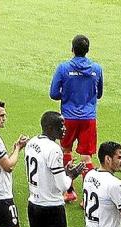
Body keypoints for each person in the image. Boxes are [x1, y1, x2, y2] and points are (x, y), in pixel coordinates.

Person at [49, 34, 103, 202]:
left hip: (68, 118)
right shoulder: (97, 69)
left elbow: (53, 93)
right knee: (86, 157)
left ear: (72, 49)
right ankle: (90, 197)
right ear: (87, 50)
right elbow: (99, 94)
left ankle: (69, 191)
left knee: (66, 151)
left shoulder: (63, 68)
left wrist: (67, 96)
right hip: (88, 118)